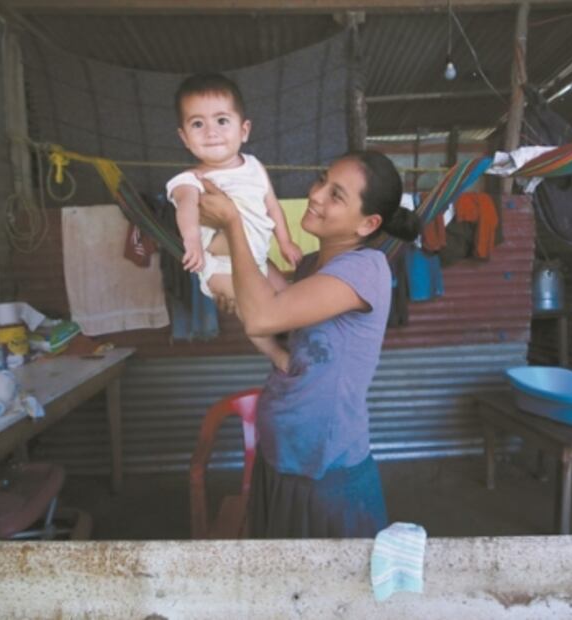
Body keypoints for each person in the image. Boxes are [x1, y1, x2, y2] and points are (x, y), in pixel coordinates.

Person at [198, 150, 421, 538]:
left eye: (336, 195)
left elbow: (263, 316)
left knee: (325, 590)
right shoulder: (311, 265)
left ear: (368, 223)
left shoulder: (366, 269)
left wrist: (234, 223)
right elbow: (277, 322)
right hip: (281, 456)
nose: (316, 195)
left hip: (326, 471)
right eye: (321, 180)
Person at [167, 73, 302, 366]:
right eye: (198, 124)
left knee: (289, 297)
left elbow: (272, 205)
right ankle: (276, 355)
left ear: (244, 130)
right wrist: (191, 242)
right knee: (254, 315)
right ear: (184, 138)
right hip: (221, 266)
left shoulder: (254, 166)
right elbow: (186, 209)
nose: (211, 132)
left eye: (221, 121)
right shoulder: (190, 179)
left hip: (258, 260)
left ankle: (299, 344)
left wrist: (285, 240)